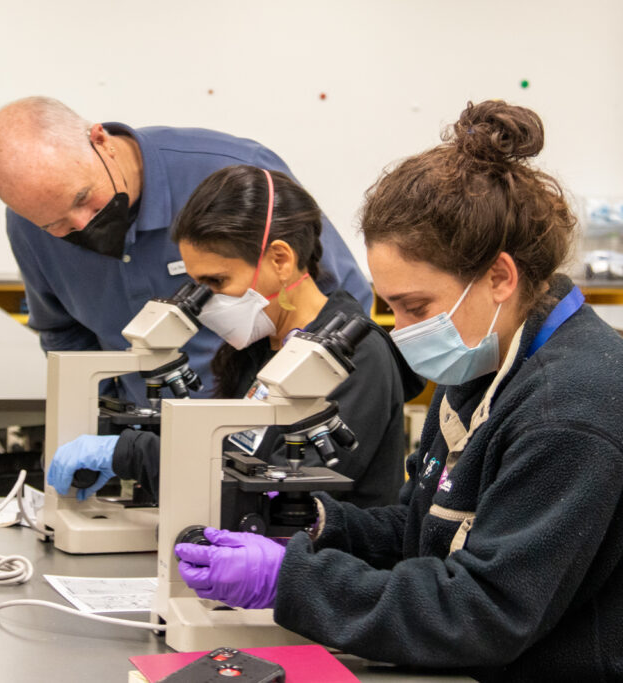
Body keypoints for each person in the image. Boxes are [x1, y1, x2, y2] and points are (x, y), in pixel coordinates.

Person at [173, 101, 623, 681]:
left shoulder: (570, 410)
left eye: (416, 307)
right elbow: (420, 530)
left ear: (500, 278)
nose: (402, 330)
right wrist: (313, 522)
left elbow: (482, 613)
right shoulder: (484, 364)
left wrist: (289, 581)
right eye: (390, 307)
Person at [48, 165, 420, 507]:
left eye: (217, 281)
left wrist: (137, 454)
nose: (206, 302)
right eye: (196, 284)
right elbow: (228, 460)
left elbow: (281, 495)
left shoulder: (353, 357)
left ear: (280, 260)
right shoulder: (263, 345)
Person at [0, 97, 372, 406]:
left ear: (100, 141)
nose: (82, 226)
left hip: (262, 430)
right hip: (148, 448)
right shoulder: (28, 228)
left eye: (85, 198)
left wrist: (276, 419)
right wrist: (110, 432)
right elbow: (64, 336)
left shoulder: (227, 173)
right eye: (55, 225)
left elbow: (339, 302)